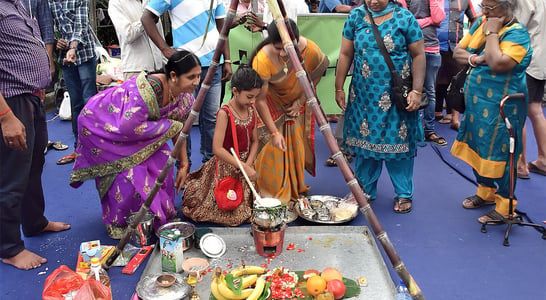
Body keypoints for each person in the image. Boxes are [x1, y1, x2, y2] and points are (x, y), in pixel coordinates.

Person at [69, 51, 199, 239]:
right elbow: (129, 127)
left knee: (162, 161)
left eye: (198, 76)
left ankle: (156, 215)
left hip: (143, 129)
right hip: (102, 125)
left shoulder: (184, 96)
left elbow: (179, 129)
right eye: (191, 77)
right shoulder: (147, 91)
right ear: (173, 76)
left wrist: (184, 164)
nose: (197, 82)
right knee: (130, 173)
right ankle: (121, 221)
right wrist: (169, 126)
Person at [335, 0, 426, 213]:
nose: (373, 1)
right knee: (365, 143)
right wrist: (339, 87)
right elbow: (346, 53)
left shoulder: (405, 18)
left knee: (399, 143)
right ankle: (364, 190)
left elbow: (419, 55)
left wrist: (417, 90)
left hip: (396, 96)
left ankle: (404, 193)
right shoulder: (356, 17)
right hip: (363, 96)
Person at [0, 0, 70, 270]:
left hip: (31, 98)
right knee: (11, 175)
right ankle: (9, 248)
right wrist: (5, 116)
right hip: (11, 102)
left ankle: (34, 222)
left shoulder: (16, 5)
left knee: (33, 165)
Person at [450, 0, 532, 223]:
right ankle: (485, 193)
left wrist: (493, 33)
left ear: (508, 7)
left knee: (503, 153)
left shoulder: (518, 34)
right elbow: (458, 52)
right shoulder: (480, 24)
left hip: (503, 106)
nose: (484, 11)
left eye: (490, 7)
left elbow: (497, 63)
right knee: (479, 146)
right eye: (483, 5)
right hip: (477, 103)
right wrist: (476, 59)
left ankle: (506, 206)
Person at [142, 0, 232, 164]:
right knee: (184, 119)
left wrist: (228, 59)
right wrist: (164, 48)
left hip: (214, 65)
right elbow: (146, 17)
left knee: (211, 118)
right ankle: (185, 166)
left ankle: (209, 168)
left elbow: (222, 27)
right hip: (186, 68)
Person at [249, 19, 329, 204]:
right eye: (278, 49)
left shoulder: (309, 49)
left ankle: (295, 189)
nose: (284, 54)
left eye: (288, 48)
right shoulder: (262, 59)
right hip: (271, 104)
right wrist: (274, 132)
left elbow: (319, 70)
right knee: (272, 149)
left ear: (297, 40)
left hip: (296, 104)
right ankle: (271, 195)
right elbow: (259, 100)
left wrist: (301, 101)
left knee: (295, 147)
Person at [182, 66, 261, 226]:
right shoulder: (224, 113)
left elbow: (255, 141)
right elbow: (217, 149)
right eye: (249, 96)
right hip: (227, 164)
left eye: (255, 97)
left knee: (251, 207)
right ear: (235, 91)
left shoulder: (251, 109)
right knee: (232, 214)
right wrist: (242, 167)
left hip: (245, 163)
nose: (253, 101)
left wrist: (248, 163)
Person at [49, 0, 98, 165]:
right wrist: (58, 42)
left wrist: (73, 46)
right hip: (65, 59)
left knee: (89, 102)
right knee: (75, 104)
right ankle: (80, 150)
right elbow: (52, 28)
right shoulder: (50, 2)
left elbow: (81, 24)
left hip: (84, 56)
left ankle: (96, 148)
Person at [406, 0, 446, 146]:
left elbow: (437, 17)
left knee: (429, 91)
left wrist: (421, 21)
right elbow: (405, 20)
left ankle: (428, 129)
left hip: (430, 49)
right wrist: (427, 21)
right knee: (408, 89)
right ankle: (412, 129)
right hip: (409, 49)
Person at [514, 0, 546, 179]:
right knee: (535, 110)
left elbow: (517, 28)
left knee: (517, 113)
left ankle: (520, 164)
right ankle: (543, 159)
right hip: (540, 61)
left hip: (527, 61)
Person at [434, 0, 478, 130]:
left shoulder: (465, 1)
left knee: (455, 82)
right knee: (436, 81)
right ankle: (435, 112)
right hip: (434, 46)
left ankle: (454, 117)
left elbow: (474, 18)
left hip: (455, 46)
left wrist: (470, 39)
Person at [108, 0, 165, 81]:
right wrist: (146, 21)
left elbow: (160, 37)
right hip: (136, 70)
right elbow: (128, 34)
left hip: (159, 69)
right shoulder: (116, 2)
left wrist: (166, 63)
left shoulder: (150, 1)